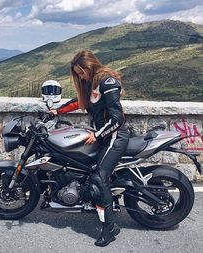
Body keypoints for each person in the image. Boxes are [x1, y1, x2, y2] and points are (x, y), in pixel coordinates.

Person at [50, 50, 129, 247]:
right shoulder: (91, 83)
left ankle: (110, 227)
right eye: (77, 73)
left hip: (115, 137)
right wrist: (56, 111)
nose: (80, 76)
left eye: (81, 72)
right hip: (103, 135)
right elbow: (79, 102)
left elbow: (117, 118)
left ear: (90, 66)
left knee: (98, 179)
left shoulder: (107, 81)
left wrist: (97, 134)